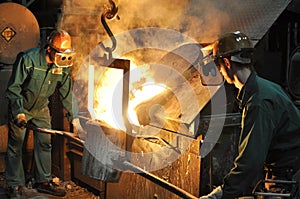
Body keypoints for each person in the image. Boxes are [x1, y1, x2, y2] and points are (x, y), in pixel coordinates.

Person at [200, 31, 300, 199]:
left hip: (290, 176)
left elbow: (250, 162)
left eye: (219, 65)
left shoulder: (258, 102)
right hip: (285, 170)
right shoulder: (265, 87)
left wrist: (222, 193)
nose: (220, 71)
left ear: (226, 62)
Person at [5, 29, 85, 198]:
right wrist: (19, 112)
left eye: (67, 53)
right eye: (61, 53)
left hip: (41, 108)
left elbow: (67, 94)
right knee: (16, 146)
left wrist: (75, 119)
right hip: (22, 107)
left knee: (44, 143)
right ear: (49, 49)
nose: (64, 57)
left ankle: (43, 181)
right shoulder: (28, 59)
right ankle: (15, 185)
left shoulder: (62, 66)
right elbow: (14, 88)